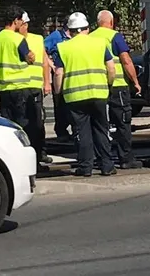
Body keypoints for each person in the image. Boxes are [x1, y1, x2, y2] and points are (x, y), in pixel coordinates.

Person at [53, 12, 116, 177]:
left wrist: (58, 93)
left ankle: (86, 167)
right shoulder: (100, 44)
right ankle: (107, 166)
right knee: (102, 130)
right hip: (99, 94)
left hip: (75, 98)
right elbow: (111, 68)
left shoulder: (63, 47)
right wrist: (108, 84)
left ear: (71, 31)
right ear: (87, 28)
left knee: (82, 132)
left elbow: (59, 74)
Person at [90, 10, 142, 169]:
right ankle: (125, 158)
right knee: (122, 123)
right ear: (111, 22)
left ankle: (102, 159)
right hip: (117, 86)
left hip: (98, 87)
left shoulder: (90, 38)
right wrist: (135, 81)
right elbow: (126, 60)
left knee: (99, 125)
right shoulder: (115, 36)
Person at [0, 8, 42, 158]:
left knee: (8, 126)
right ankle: (27, 158)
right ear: (16, 21)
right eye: (21, 21)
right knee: (24, 126)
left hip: (3, 89)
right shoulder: (17, 39)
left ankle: (10, 157)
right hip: (21, 88)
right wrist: (32, 56)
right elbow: (29, 58)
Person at [24, 19, 52, 166]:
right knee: (25, 123)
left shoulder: (36, 39)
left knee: (38, 123)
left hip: (35, 87)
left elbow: (44, 61)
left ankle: (40, 152)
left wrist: (47, 82)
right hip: (20, 87)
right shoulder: (13, 39)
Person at [42, 20, 71, 139]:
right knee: (60, 106)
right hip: (59, 77)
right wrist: (50, 63)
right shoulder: (56, 36)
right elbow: (42, 49)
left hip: (72, 76)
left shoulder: (77, 37)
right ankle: (61, 131)